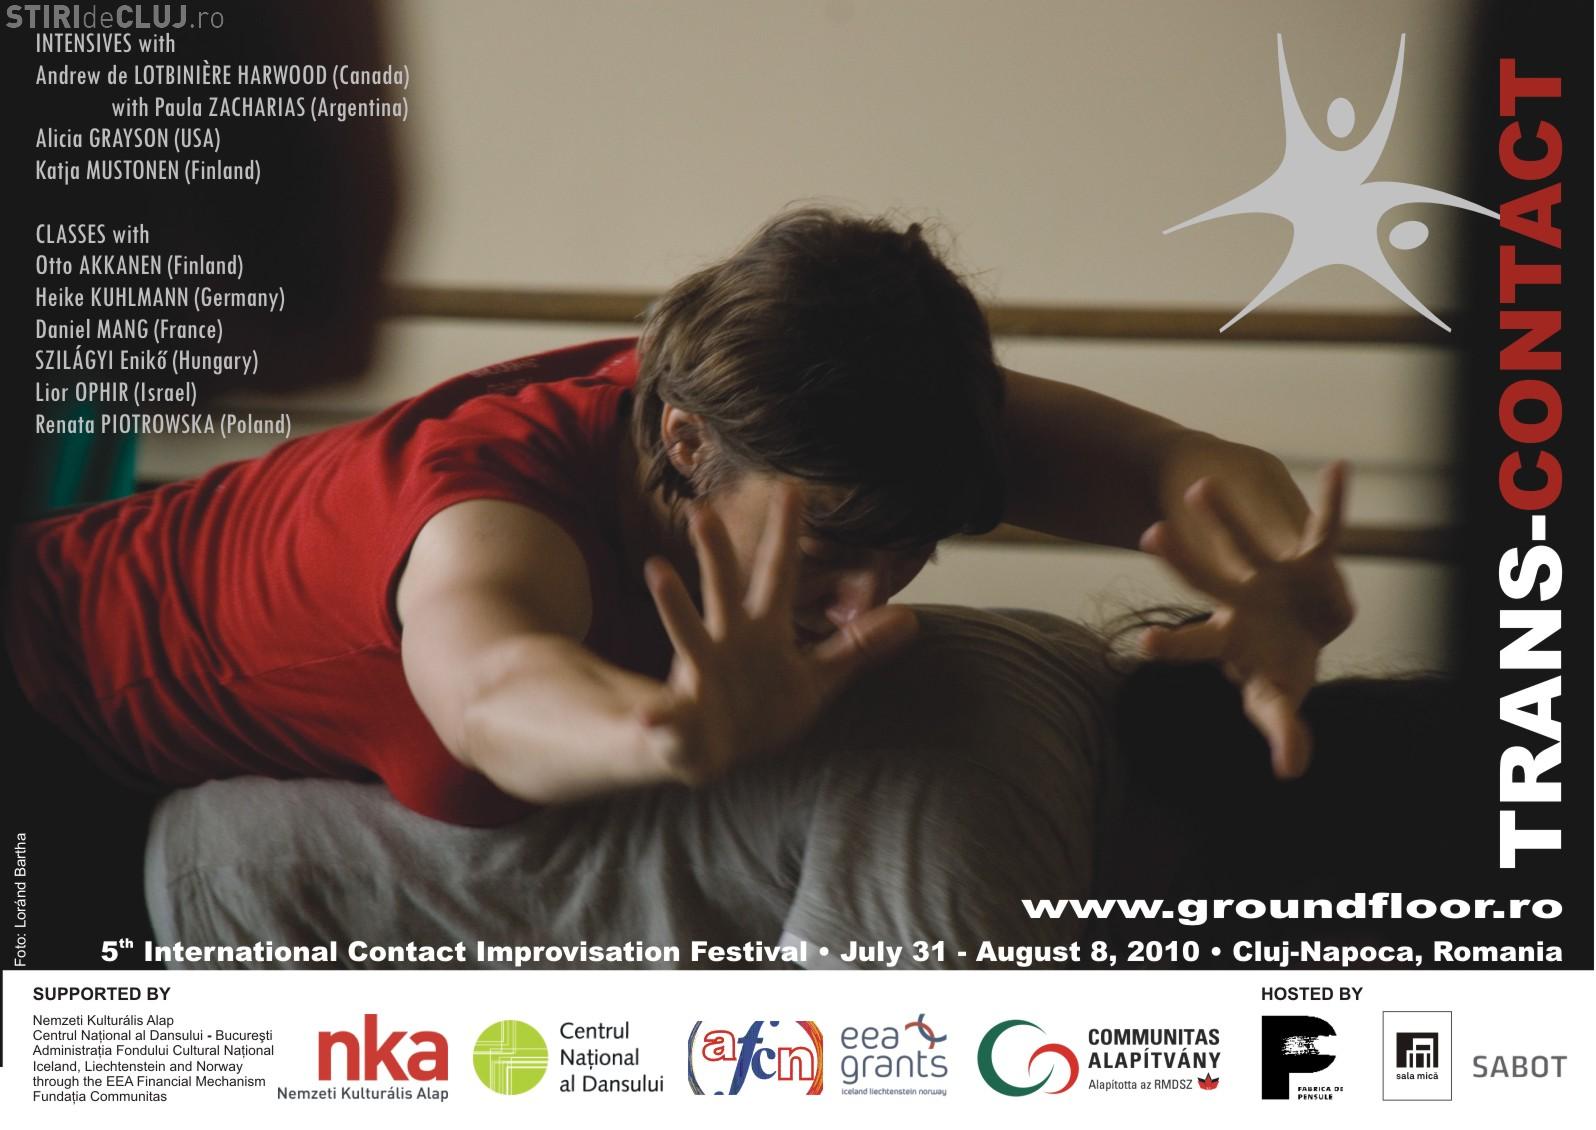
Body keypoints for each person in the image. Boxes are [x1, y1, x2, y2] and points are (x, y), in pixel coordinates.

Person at [5, 206, 1351, 851]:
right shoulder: (489, 520)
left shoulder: (864, 433)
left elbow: (1186, 469)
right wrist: (662, 734)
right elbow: (491, 693)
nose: (869, 601)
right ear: (685, 443)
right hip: (41, 700)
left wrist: (1279, 574)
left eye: (911, 552)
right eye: (826, 552)